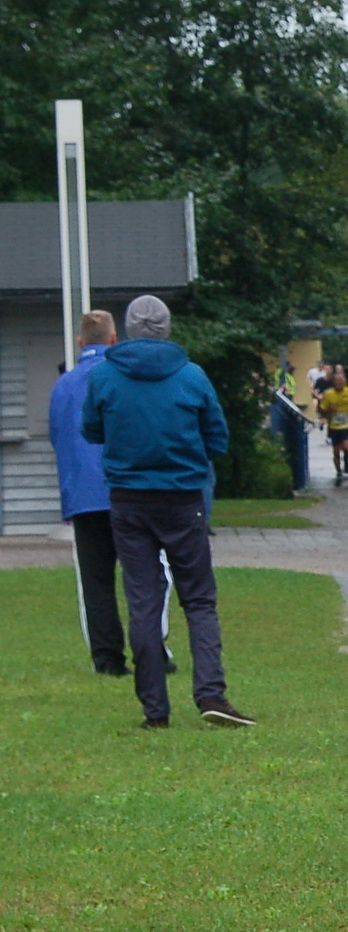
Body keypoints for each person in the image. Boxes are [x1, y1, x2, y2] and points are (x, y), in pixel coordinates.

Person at [81, 295, 253, 728]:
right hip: (182, 499)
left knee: (143, 600)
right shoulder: (191, 376)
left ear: (129, 329)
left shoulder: (104, 376)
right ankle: (211, 693)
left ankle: (155, 709)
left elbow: (91, 428)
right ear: (167, 328)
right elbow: (218, 438)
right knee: (197, 598)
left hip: (128, 499)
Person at [49, 309, 173, 677]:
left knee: (95, 580)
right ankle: (153, 649)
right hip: (128, 488)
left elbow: (59, 438)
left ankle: (107, 658)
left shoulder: (64, 385)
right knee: (147, 574)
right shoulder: (123, 377)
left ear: (80, 342)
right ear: (115, 339)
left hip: (84, 495)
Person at [317, 364, 348, 482]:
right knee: (336, 451)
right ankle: (339, 471)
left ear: (344, 382)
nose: (339, 384)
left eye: (341, 382)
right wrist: (329, 410)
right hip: (334, 426)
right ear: (333, 383)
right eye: (336, 382)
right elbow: (321, 409)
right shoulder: (328, 394)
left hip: (347, 425)